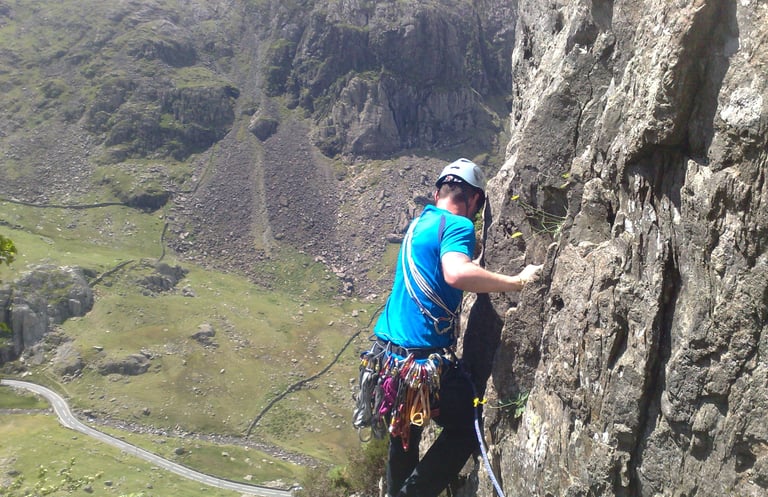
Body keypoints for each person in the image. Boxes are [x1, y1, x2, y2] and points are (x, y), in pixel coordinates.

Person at [368, 158, 542, 497]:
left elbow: (441, 269)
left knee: (404, 438)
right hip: (421, 363)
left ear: (437, 193)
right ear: (475, 200)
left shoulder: (418, 225)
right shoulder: (459, 226)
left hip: (390, 359)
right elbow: (455, 274)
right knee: (465, 426)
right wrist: (516, 282)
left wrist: (471, 261)